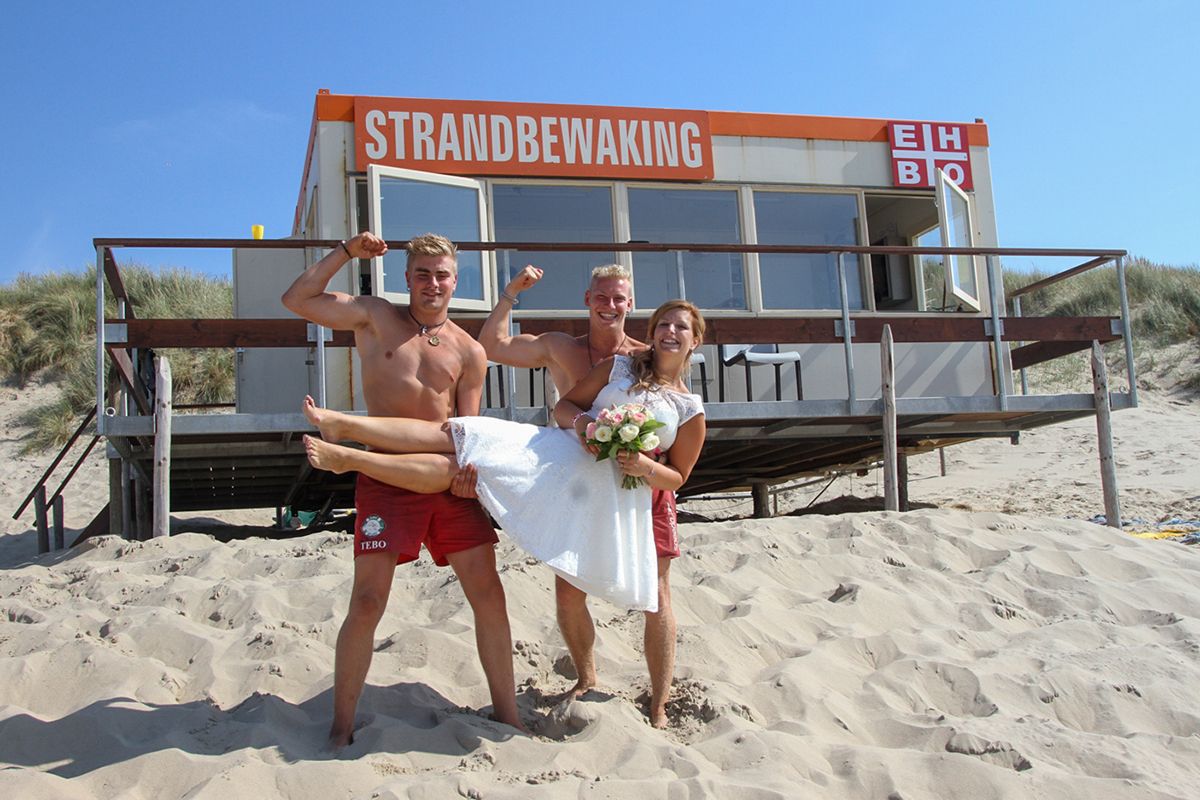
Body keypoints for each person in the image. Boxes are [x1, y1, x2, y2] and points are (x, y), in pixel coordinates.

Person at [300, 301, 707, 716]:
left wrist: (644, 464)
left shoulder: (688, 408)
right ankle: (346, 428)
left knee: (657, 597)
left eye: (681, 328)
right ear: (653, 331)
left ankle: (659, 704)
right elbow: (565, 407)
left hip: (636, 493)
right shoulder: (620, 368)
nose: (670, 332)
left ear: (695, 340)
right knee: (465, 433)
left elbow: (679, 476)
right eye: (664, 325)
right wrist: (587, 425)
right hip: (564, 469)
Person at [280, 231, 524, 751]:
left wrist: (467, 477)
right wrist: (347, 252)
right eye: (422, 274)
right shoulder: (374, 316)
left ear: (456, 281)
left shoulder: (471, 351)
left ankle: (510, 716)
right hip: (387, 481)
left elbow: (467, 432)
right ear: (406, 277)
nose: (432, 284)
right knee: (367, 602)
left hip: (442, 480)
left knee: (490, 596)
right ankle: (340, 726)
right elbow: (296, 300)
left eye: (442, 275)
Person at [476, 264, 685, 727]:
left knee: (659, 593)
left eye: (619, 299)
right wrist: (511, 292)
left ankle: (660, 702)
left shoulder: (646, 357)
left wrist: (657, 464)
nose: (610, 306)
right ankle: (587, 677)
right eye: (602, 298)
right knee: (569, 589)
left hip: (637, 484)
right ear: (588, 299)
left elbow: (681, 418)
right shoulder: (560, 347)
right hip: (576, 481)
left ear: (631, 304)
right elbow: (489, 346)